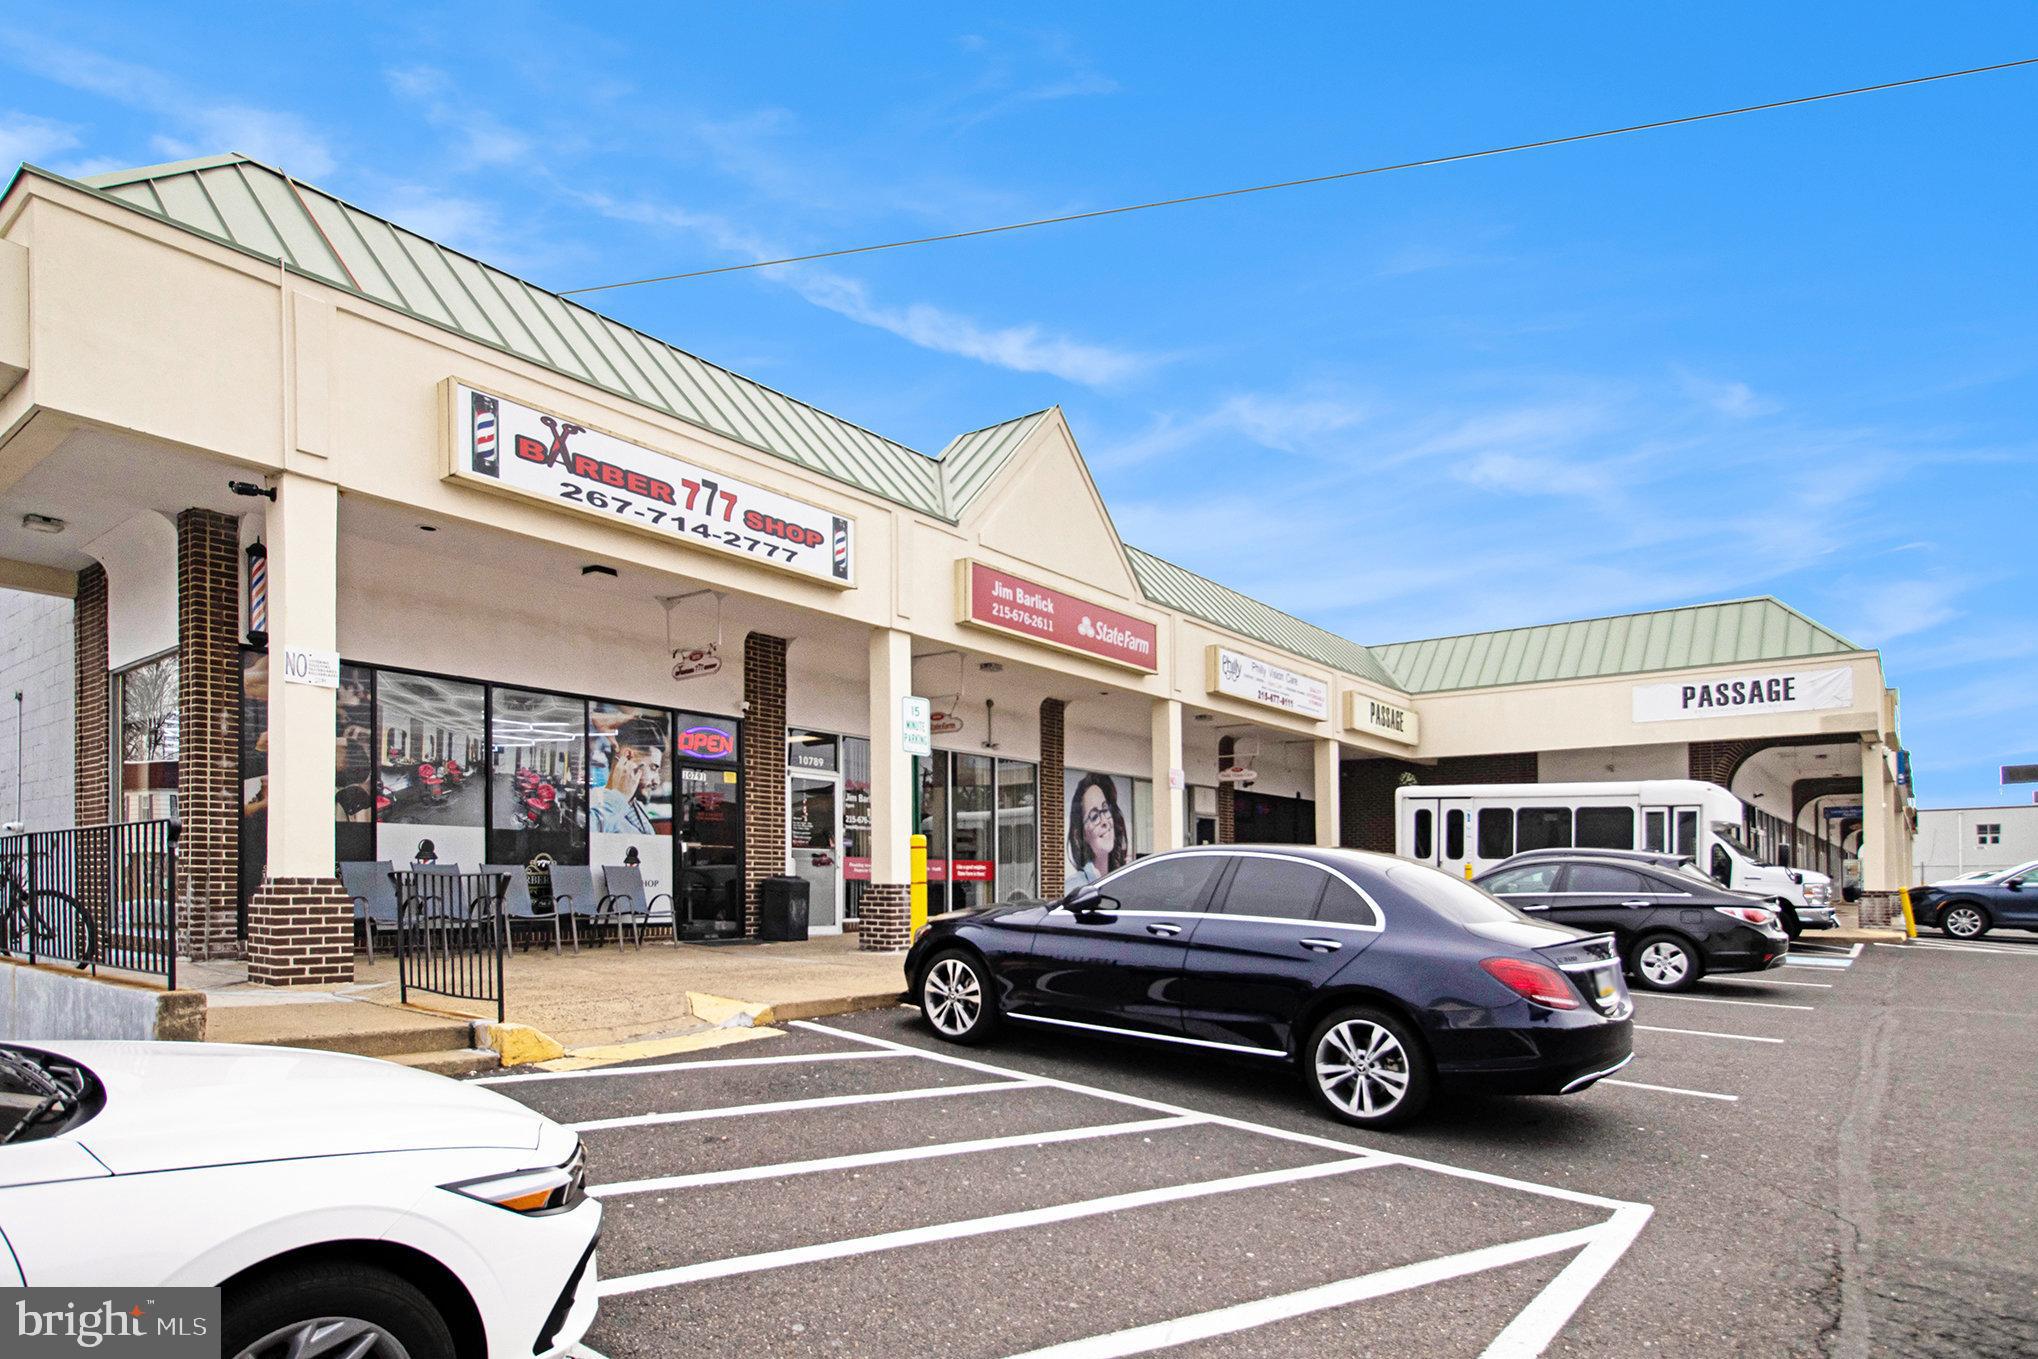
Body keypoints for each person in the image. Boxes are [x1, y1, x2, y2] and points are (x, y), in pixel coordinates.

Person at [591, 715, 665, 835]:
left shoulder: (635, 808)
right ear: (628, 756)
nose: (656, 781)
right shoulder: (594, 804)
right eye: (653, 768)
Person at [1067, 772, 1128, 886]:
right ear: (1081, 834)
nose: (1104, 821)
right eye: (1094, 817)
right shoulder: (1075, 887)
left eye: (1105, 810)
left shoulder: (1125, 878)